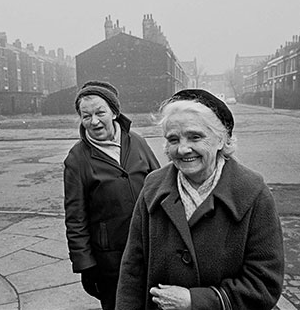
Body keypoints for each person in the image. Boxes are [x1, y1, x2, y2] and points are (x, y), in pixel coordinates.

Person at [116, 89, 284, 310]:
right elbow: (132, 270)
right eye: (173, 139)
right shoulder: (152, 188)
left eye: (195, 137)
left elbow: (264, 285)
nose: (183, 149)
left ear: (221, 140)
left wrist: (196, 301)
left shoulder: (253, 194)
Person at [63, 80, 160, 310]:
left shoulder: (136, 141)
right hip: (110, 261)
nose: (94, 121)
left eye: (100, 112)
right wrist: (86, 265)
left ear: (114, 112)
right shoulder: (77, 158)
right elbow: (75, 217)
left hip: (151, 249)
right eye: (86, 116)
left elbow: (161, 187)